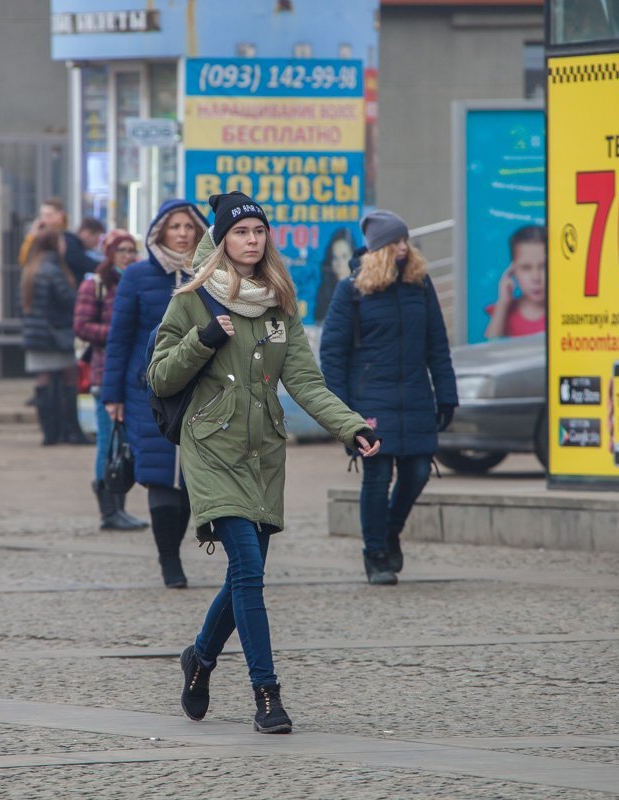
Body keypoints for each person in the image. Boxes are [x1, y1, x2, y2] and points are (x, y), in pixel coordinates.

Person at [148, 191, 381, 735]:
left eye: (259, 233)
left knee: (244, 575)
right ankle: (266, 694)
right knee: (249, 572)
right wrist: (203, 340)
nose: (252, 241)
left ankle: (200, 660)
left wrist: (352, 427)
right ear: (222, 239)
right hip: (211, 449)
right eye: (241, 233)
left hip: (263, 456)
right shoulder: (194, 297)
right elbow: (160, 377)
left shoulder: (278, 300)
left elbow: (304, 381)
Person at [320, 209, 459, 586]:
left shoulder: (420, 283)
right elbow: (332, 353)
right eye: (395, 242)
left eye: (405, 240)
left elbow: (437, 344)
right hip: (371, 402)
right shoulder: (352, 290)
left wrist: (446, 395)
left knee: (416, 472)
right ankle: (375, 554)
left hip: (415, 396)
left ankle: (391, 531)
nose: (403, 247)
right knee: (377, 477)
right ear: (378, 248)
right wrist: (342, 413)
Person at [101, 198, 207, 588]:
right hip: (148, 392)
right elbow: (119, 339)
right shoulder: (137, 276)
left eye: (188, 227)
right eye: (174, 227)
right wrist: (112, 396)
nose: (182, 234)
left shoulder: (210, 273)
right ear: (159, 232)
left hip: (200, 391)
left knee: (191, 480)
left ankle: (177, 547)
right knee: (161, 476)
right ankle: (170, 561)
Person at [74, 230, 147, 530]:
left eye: (132, 250)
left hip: (132, 374)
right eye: (122, 250)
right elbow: (81, 326)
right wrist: (118, 331)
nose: (128, 256)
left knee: (125, 440)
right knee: (108, 440)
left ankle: (119, 507)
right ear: (110, 254)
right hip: (105, 373)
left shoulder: (138, 281)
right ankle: (109, 511)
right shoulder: (96, 285)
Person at [21, 230, 85, 445]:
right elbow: (67, 299)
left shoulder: (31, 268)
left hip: (35, 334)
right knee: (70, 377)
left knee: (43, 380)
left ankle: (49, 433)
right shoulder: (54, 269)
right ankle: (70, 430)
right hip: (55, 333)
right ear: (54, 244)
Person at [484, 225, 547, 339]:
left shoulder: (563, 310)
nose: (536, 277)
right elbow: (489, 347)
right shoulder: (502, 311)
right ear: (513, 271)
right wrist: (503, 303)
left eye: (544, 267)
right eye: (526, 268)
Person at [313, 227, 356, 322]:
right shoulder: (324, 293)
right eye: (335, 258)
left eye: (344, 256)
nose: (339, 264)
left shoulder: (364, 290)